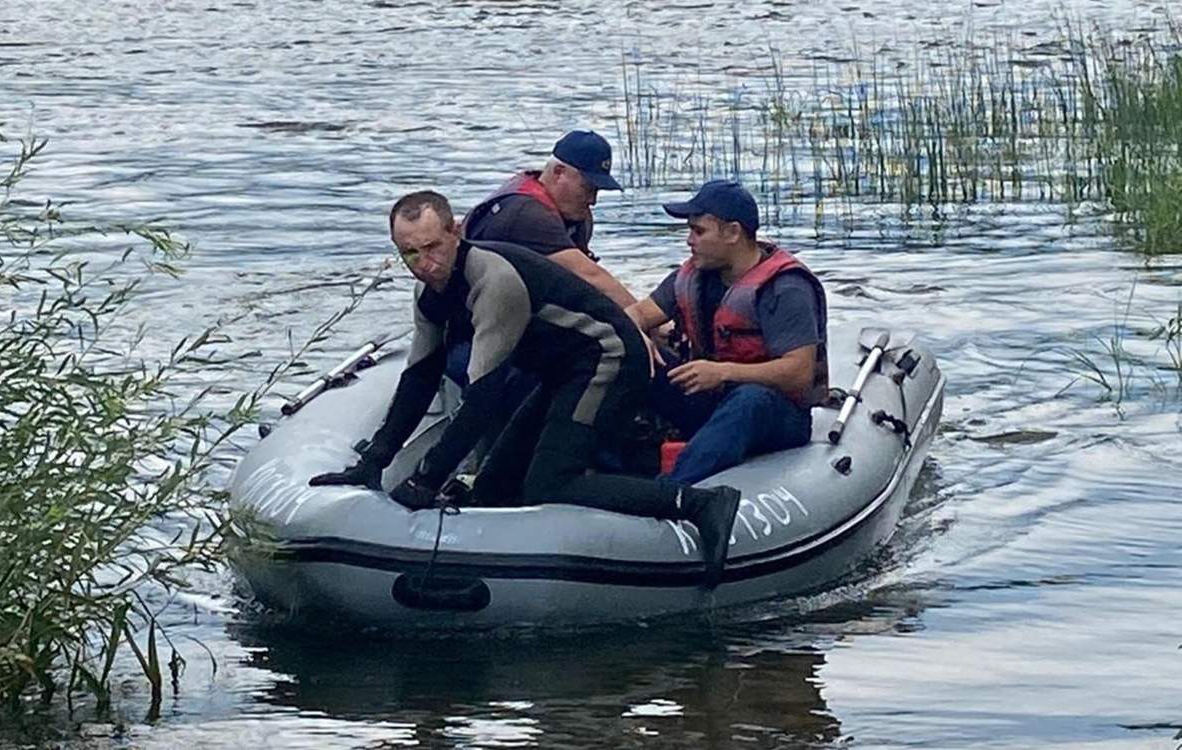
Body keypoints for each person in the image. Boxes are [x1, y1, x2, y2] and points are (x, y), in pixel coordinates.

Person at [310, 190, 742, 587]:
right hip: (562, 371)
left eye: (433, 247)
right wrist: (372, 463)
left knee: (551, 482)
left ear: (455, 233)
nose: (425, 264)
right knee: (493, 487)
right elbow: (420, 378)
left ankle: (700, 504)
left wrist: (426, 480)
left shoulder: (493, 281)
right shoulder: (429, 293)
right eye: (410, 254)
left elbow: (482, 399)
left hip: (609, 359)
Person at [624, 180, 829, 484]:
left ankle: (671, 490)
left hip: (777, 414)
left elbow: (798, 372)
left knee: (749, 400)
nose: (689, 241)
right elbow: (637, 314)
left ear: (733, 232)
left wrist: (722, 373)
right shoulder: (692, 275)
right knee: (631, 357)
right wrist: (635, 334)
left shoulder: (785, 288)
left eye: (699, 231)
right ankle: (604, 467)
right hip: (712, 399)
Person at [463, 129, 636, 308]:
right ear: (558, 173)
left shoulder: (576, 215)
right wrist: (645, 319)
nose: (592, 201)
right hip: (476, 308)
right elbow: (590, 276)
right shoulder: (528, 214)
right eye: (587, 188)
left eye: (596, 191)